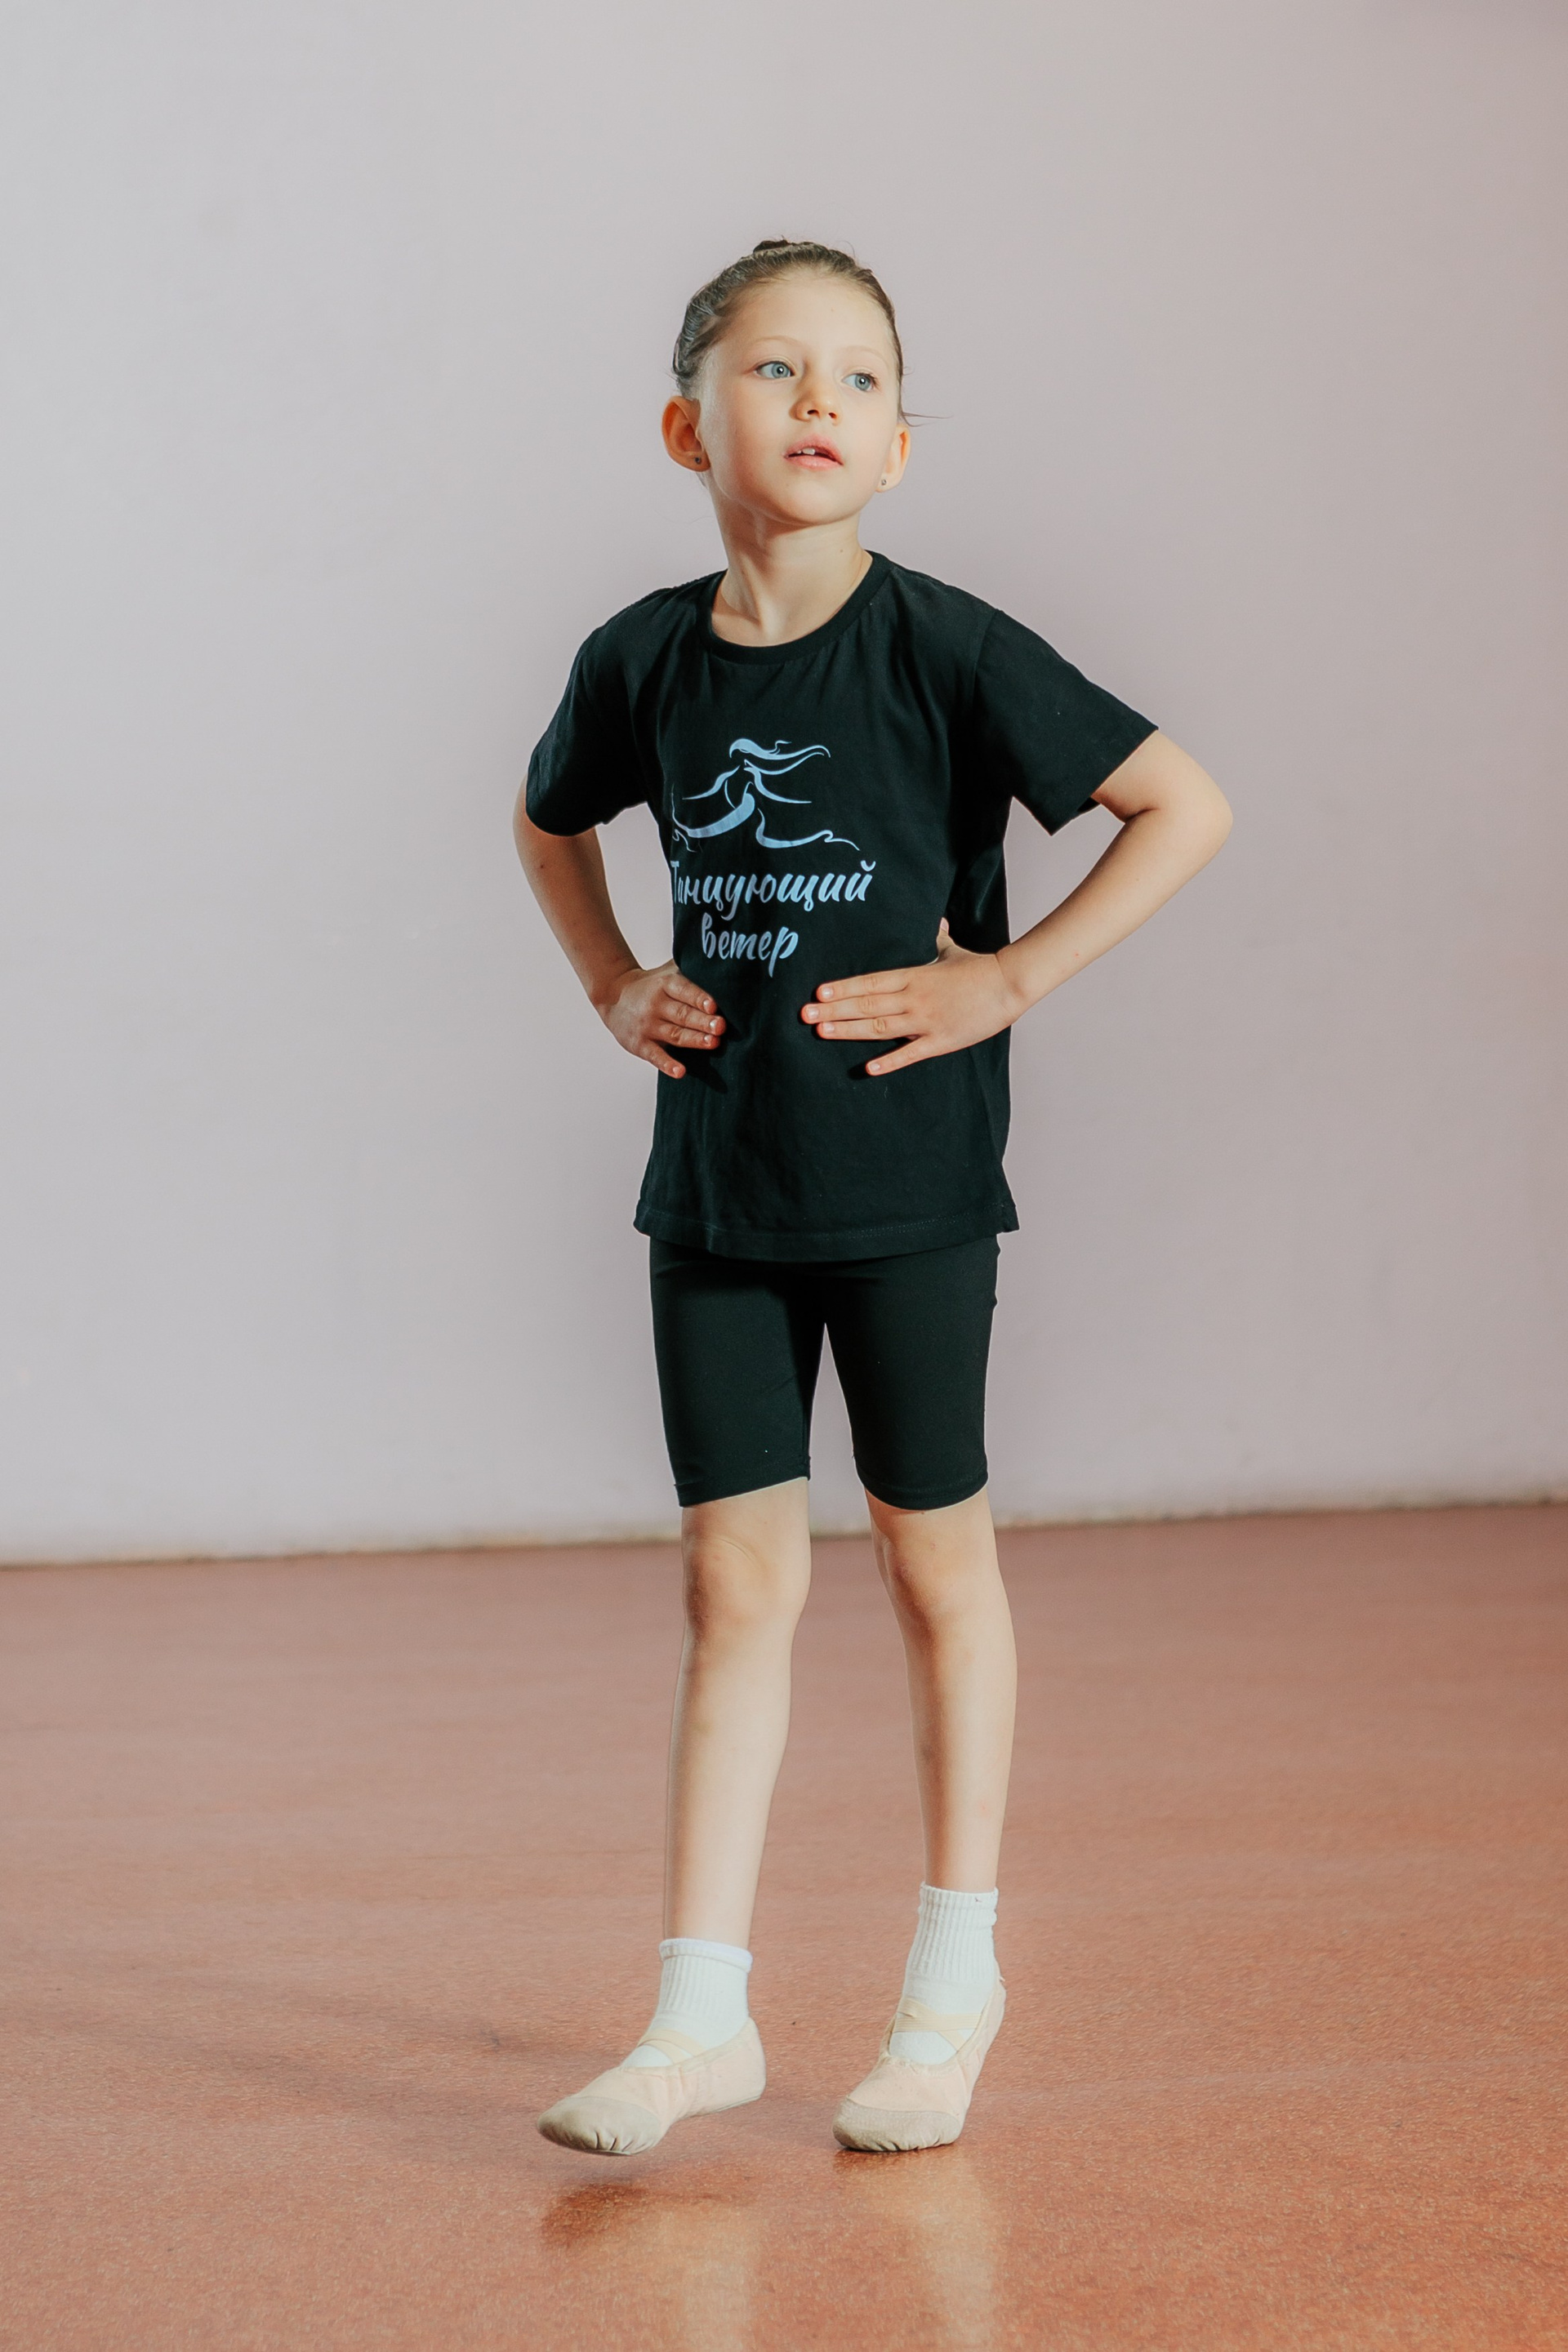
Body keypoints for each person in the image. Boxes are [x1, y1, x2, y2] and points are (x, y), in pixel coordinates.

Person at [515, 238, 1232, 2158]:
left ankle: (950, 1985)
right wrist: (612, 982)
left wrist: (1012, 978)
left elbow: (1185, 804)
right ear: (691, 428)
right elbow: (548, 817)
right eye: (775, 370)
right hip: (716, 1195)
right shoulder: (640, 660)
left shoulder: (949, 647)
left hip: (910, 1193)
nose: (818, 402)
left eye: (858, 378)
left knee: (932, 1569)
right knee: (733, 1586)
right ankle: (700, 2021)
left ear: (901, 444)